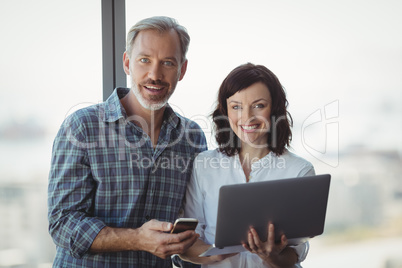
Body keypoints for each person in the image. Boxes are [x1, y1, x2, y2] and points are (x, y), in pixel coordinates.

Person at [48, 16, 207, 267]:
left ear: (182, 70)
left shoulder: (192, 137)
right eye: (145, 60)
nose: (155, 74)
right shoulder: (82, 127)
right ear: (127, 63)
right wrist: (137, 239)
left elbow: (194, 225)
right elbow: (62, 224)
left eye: (167, 62)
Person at [179, 63, 315, 267]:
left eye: (259, 105)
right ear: (225, 111)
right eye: (236, 107)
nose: (247, 117)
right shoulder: (204, 165)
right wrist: (216, 254)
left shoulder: (299, 171)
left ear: (275, 108)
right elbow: (188, 242)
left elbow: (295, 252)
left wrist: (272, 256)